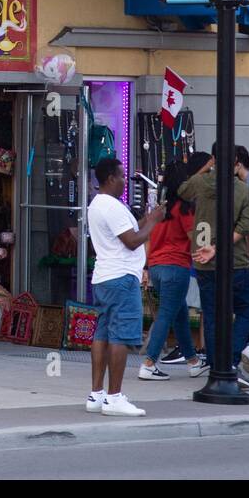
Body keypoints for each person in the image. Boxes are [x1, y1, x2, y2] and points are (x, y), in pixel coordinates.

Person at [86, 157, 162, 416]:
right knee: (119, 335)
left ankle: (96, 394)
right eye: (120, 176)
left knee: (103, 333)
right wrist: (154, 221)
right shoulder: (112, 207)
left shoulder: (98, 204)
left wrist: (148, 219)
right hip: (121, 278)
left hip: (105, 277)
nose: (123, 182)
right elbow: (132, 241)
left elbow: (127, 233)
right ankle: (114, 397)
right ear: (110, 179)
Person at [181, 147, 249, 386]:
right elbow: (245, 226)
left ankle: (216, 365)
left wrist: (206, 166)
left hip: (204, 263)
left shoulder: (201, 183)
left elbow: (182, 190)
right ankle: (231, 359)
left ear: (214, 158)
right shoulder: (242, 189)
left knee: (212, 314)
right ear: (235, 161)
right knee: (246, 309)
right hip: (235, 261)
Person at [139, 156, 207, 381]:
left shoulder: (161, 209)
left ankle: (193, 361)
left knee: (179, 315)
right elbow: (193, 238)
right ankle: (149, 363)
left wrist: (147, 268)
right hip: (176, 267)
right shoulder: (184, 208)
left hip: (157, 267)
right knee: (167, 315)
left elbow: (148, 239)